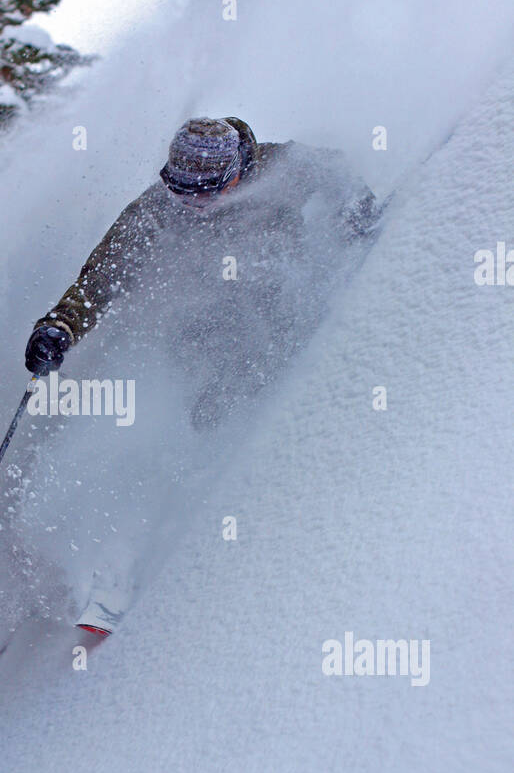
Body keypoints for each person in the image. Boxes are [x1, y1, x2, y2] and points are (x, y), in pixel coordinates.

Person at [22, 116, 380, 633]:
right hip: (200, 332)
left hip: (284, 320)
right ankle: (134, 543)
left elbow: (338, 174)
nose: (193, 203)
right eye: (181, 190)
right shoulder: (155, 211)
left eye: (206, 191)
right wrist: (59, 327)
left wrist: (359, 213)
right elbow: (98, 279)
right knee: (186, 419)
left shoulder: (284, 167)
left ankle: (210, 531)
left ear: (236, 170)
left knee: (243, 410)